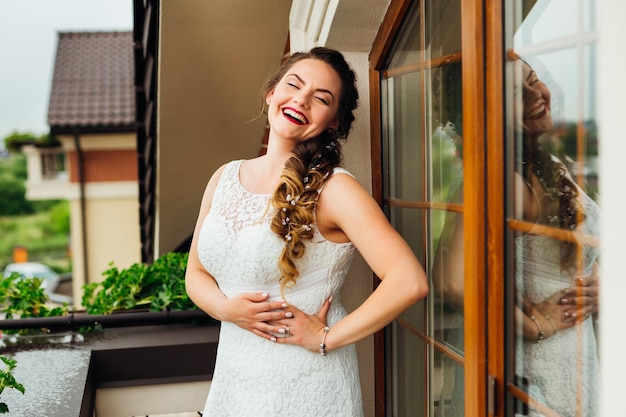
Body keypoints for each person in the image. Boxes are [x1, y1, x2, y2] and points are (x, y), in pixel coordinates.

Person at [185, 47, 429, 417]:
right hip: (234, 380)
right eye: (294, 85)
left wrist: (326, 337)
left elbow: (409, 281)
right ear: (272, 93)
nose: (301, 99)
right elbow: (196, 274)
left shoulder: (335, 189)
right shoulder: (223, 177)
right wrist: (225, 309)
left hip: (306, 386)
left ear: (333, 122)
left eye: (321, 98)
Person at [432, 57, 600, 417]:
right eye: (513, 92)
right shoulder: (501, 178)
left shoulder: (542, 164)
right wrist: (537, 325)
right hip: (540, 366)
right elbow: (452, 281)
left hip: (575, 354)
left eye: (533, 80)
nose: (535, 95)